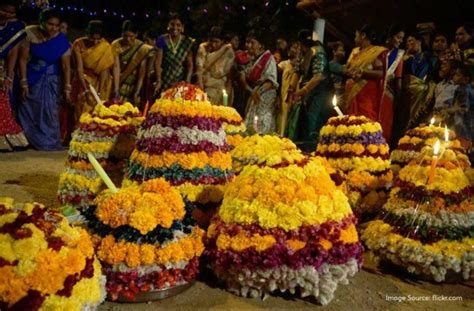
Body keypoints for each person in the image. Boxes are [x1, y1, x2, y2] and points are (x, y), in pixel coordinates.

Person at [17, 8, 71, 151]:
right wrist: (23, 82)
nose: (53, 28)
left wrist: (67, 87)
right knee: (28, 108)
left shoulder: (61, 40)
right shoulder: (30, 32)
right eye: (50, 24)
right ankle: (29, 141)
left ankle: (48, 142)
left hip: (52, 80)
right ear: (41, 22)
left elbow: (66, 67)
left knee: (49, 111)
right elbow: (22, 60)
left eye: (56, 25)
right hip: (32, 76)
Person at [290, 29, 332, 151]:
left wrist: (302, 91)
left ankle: (311, 151)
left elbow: (318, 77)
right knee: (301, 122)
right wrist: (292, 90)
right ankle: (299, 149)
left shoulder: (318, 52)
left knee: (312, 122)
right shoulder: (302, 53)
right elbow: (297, 71)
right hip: (306, 94)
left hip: (319, 94)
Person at [345, 25, 389, 137]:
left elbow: (380, 73)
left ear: (363, 35)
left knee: (366, 122)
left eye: (356, 36)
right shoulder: (355, 51)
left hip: (366, 93)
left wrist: (363, 72)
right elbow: (348, 68)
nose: (355, 39)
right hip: (352, 92)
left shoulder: (375, 51)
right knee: (351, 123)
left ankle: (367, 148)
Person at [71, 20, 114, 121]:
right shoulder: (78, 44)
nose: (95, 42)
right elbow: (79, 69)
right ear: (87, 34)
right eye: (92, 38)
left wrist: (99, 92)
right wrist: (86, 90)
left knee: (98, 111)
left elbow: (104, 70)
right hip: (83, 80)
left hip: (101, 83)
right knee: (81, 109)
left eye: (98, 39)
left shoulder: (105, 46)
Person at [0, 0, 28, 151]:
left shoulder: (14, 29)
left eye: (11, 13)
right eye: (4, 10)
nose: (7, 15)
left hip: (1, 69)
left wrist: (9, 77)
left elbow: (13, 54)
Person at [240, 29, 278, 134]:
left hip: (265, 97)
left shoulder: (268, 58)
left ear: (260, 45)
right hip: (255, 94)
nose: (248, 45)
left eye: (252, 43)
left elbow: (271, 81)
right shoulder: (251, 58)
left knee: (262, 125)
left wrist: (258, 91)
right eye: (247, 42)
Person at [398, 32, 436, 133]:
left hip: (421, 95)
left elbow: (432, 77)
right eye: (407, 42)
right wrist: (403, 59)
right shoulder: (403, 58)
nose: (408, 44)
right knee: (403, 120)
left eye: (411, 41)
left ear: (419, 41)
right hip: (407, 94)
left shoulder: (428, 58)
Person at [112, 20, 152, 106]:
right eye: (125, 36)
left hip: (133, 85)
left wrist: (137, 92)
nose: (128, 39)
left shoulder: (142, 48)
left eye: (131, 36)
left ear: (136, 34)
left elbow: (142, 73)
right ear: (122, 33)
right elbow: (116, 67)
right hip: (116, 82)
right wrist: (116, 90)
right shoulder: (116, 45)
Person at [154, 13, 194, 94]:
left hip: (180, 80)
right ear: (168, 26)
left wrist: (187, 82)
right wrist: (158, 80)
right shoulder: (162, 39)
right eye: (172, 24)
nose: (175, 27)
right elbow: (158, 62)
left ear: (182, 27)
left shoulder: (187, 42)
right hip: (164, 78)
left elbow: (190, 65)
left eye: (178, 25)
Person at [195, 26, 235, 105]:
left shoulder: (228, 52)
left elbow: (229, 76)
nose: (213, 44)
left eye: (216, 42)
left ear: (222, 41)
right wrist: (201, 89)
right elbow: (199, 71)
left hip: (222, 89)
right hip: (205, 87)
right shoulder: (203, 48)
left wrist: (227, 95)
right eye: (211, 41)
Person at [381, 25, 405, 143]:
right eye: (398, 37)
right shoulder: (378, 51)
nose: (400, 41)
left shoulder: (399, 56)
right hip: (373, 93)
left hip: (387, 96)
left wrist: (398, 100)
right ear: (390, 36)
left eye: (402, 39)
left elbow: (398, 80)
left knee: (384, 126)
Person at [446, 64, 473, 148]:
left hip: (464, 127)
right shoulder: (461, 88)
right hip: (461, 124)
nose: (454, 76)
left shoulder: (464, 90)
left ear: (466, 79)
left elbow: (464, 108)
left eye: (458, 75)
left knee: (460, 147)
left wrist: (450, 110)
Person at [277, 41, 300, 136]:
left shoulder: (301, 65)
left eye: (295, 47)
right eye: (292, 47)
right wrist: (277, 96)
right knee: (283, 119)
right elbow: (277, 79)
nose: (292, 50)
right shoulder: (283, 64)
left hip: (296, 97)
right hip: (284, 96)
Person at [328, 41, 346, 109]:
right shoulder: (332, 65)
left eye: (344, 51)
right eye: (341, 50)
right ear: (334, 52)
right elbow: (348, 72)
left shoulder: (339, 65)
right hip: (334, 97)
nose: (343, 53)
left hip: (339, 97)